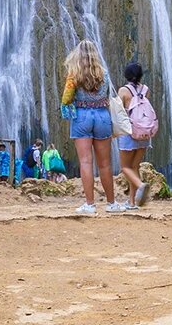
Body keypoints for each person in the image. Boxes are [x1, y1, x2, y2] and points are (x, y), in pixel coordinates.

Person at [61, 40, 124, 214]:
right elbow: (108, 95)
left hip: (82, 116)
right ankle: (112, 204)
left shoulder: (74, 75)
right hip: (102, 116)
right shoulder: (104, 73)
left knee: (86, 162)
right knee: (105, 164)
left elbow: (66, 99)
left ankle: (89, 204)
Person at [116, 61, 152, 208]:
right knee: (134, 166)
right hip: (144, 132)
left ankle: (140, 185)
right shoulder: (146, 89)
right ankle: (132, 202)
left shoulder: (123, 91)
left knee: (125, 167)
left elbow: (118, 113)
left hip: (129, 132)